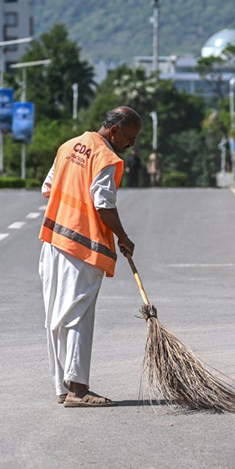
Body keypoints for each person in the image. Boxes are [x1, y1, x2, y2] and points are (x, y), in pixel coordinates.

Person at [39, 107, 141, 407]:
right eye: (130, 137)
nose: (131, 145)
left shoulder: (68, 146)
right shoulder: (106, 157)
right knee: (79, 316)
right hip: (82, 247)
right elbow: (103, 203)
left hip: (53, 240)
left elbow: (48, 188)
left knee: (56, 317)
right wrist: (123, 237)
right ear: (114, 131)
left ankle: (62, 387)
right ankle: (79, 390)